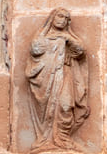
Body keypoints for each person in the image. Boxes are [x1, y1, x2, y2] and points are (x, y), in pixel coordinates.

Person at [26, 8, 89, 146]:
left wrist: (67, 38)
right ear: (53, 18)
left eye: (66, 18)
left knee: (66, 105)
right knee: (48, 109)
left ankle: (63, 137)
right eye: (60, 16)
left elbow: (80, 51)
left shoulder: (68, 37)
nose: (63, 20)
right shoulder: (43, 36)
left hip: (65, 75)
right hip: (47, 77)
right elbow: (35, 49)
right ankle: (46, 139)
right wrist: (52, 41)